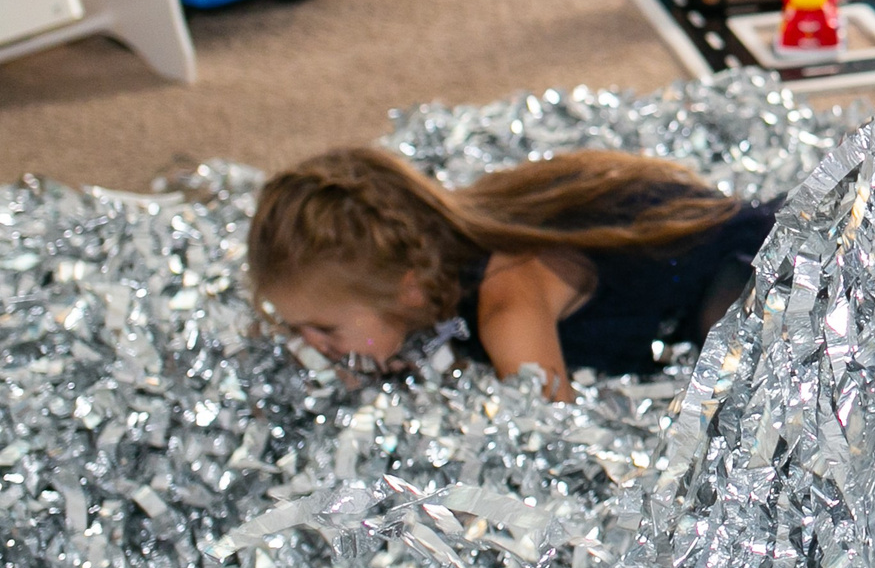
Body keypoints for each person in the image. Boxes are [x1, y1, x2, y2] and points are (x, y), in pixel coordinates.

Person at [248, 147, 776, 400]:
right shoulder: (446, 253)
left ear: (406, 289)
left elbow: (558, 437)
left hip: (763, 276)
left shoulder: (507, 309)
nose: (312, 345)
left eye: (326, 329)